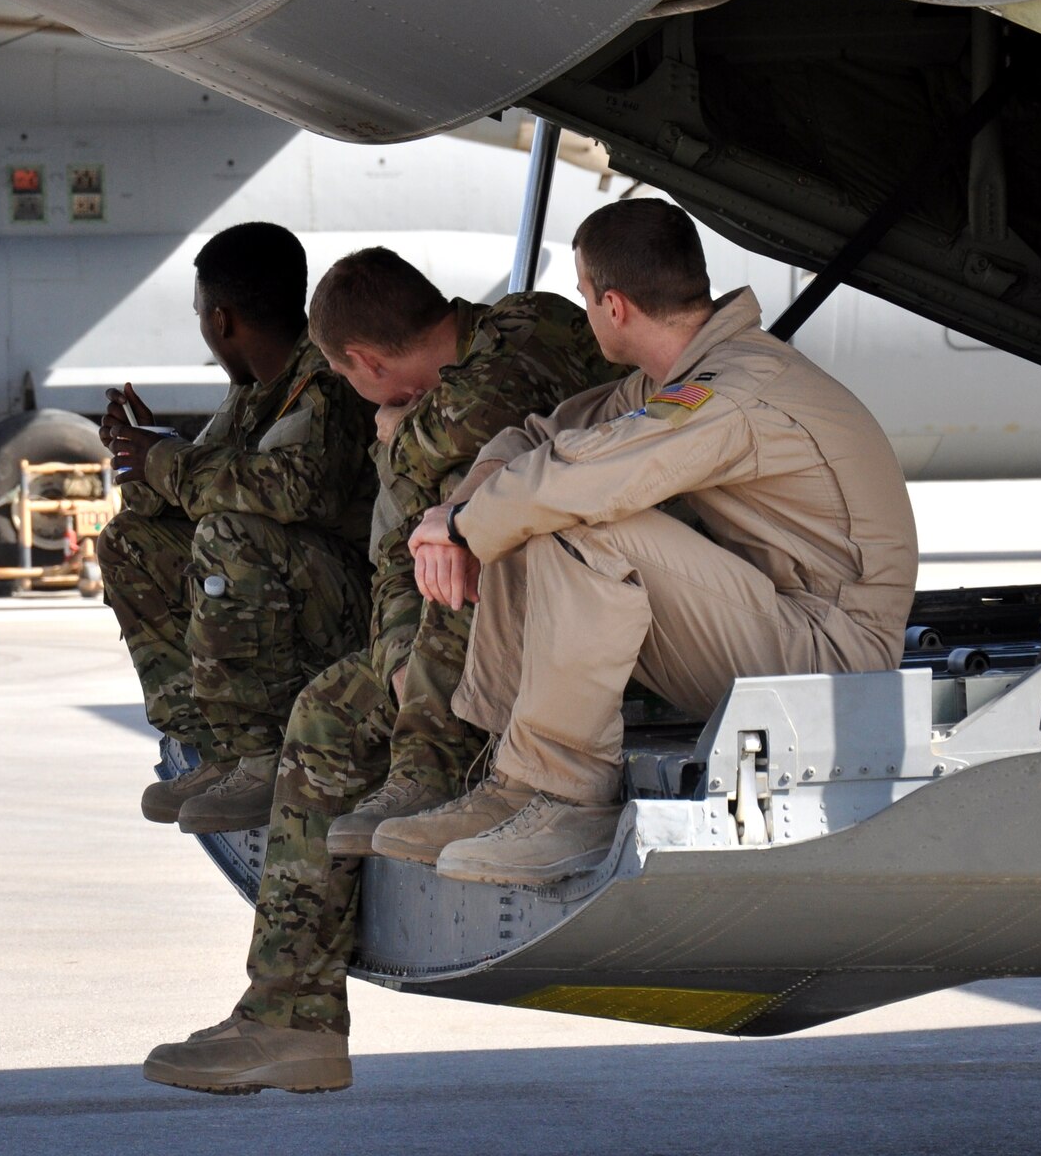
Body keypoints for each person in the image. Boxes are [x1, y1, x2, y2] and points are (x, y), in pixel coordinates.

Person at [142, 247, 611, 1094]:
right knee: (326, 710)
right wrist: (399, 660)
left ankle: (427, 772)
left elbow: (479, 416)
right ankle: (291, 1017)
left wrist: (400, 437)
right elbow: (401, 548)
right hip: (473, 621)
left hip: (589, 612)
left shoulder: (528, 329)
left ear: (361, 363)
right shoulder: (431, 397)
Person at [373, 199, 918, 886]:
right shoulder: (671, 380)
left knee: (574, 511)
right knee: (532, 495)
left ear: (614, 306)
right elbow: (533, 440)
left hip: (834, 656)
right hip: (775, 628)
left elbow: (584, 478)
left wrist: (458, 529)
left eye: (583, 295)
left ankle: (567, 798)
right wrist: (456, 512)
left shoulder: (737, 390)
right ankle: (516, 788)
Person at [96, 222, 375, 828]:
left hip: (356, 613)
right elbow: (193, 489)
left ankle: (260, 757)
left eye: (200, 314)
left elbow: (301, 490)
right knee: (128, 543)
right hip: (289, 601)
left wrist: (168, 460)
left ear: (221, 320)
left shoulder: (324, 382)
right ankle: (215, 748)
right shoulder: (253, 391)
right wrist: (142, 455)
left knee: (229, 535)